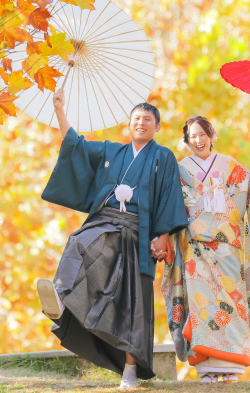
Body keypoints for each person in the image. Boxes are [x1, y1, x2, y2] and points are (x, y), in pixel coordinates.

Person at [37, 89, 188, 389]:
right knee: (79, 242)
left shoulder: (163, 157)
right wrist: (59, 110)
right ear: (128, 124)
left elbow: (171, 196)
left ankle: (129, 372)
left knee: (135, 303)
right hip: (106, 222)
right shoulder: (111, 152)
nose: (141, 123)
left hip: (139, 231)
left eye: (147, 119)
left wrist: (163, 235)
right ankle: (62, 295)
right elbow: (75, 146)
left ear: (157, 127)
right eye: (136, 119)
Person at [161, 116, 250, 384]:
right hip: (195, 249)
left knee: (231, 304)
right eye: (192, 136)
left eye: (202, 134)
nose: (197, 140)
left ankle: (230, 367)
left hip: (227, 250)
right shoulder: (179, 168)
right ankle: (208, 369)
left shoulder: (229, 165)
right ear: (186, 140)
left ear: (212, 135)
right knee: (203, 306)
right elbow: (169, 202)